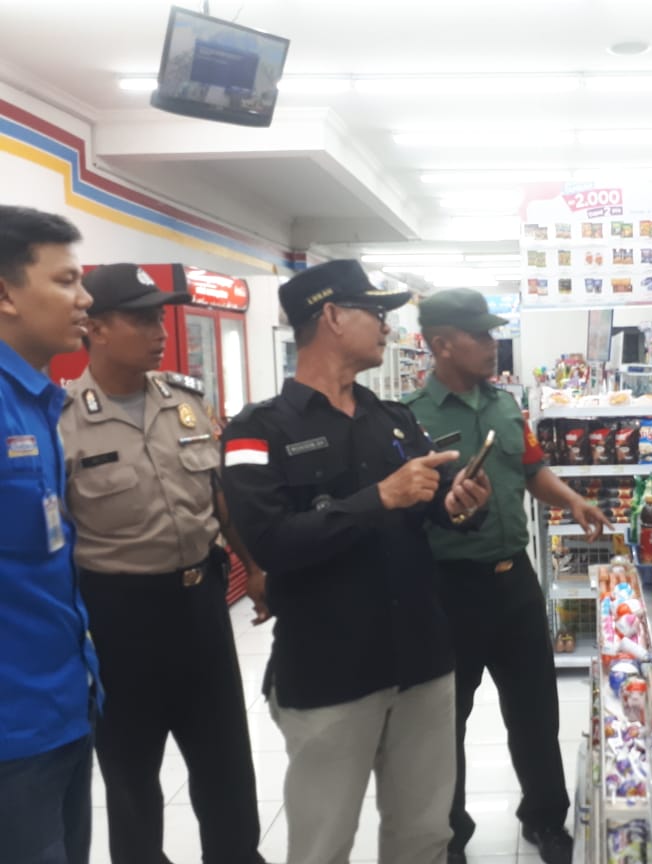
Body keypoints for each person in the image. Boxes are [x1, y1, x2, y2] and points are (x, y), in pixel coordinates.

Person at [220, 260, 491, 864]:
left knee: (426, 836)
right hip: (330, 672)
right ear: (333, 317)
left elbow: (433, 510)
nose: (387, 326)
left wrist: (460, 503)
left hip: (422, 661)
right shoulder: (256, 431)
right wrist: (380, 498)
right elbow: (271, 542)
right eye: (375, 313)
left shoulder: (393, 420)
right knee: (323, 844)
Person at [58, 263, 269, 864]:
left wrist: (255, 568)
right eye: (142, 319)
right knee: (130, 777)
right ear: (95, 327)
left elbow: (219, 497)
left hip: (200, 605)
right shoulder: (61, 421)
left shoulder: (186, 401)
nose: (160, 331)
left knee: (227, 766)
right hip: (119, 617)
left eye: (160, 317)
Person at [406, 288, 612, 864]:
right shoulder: (409, 418)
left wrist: (571, 500)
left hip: (514, 581)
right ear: (442, 344)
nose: (492, 344)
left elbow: (531, 469)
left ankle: (545, 819)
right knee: (446, 721)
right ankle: (450, 834)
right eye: (479, 335)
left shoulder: (504, 405)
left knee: (535, 711)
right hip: (448, 588)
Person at [0, 206, 100, 864]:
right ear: (6, 293)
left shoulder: (37, 401)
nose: (84, 298)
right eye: (65, 281)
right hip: (11, 730)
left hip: (64, 705)